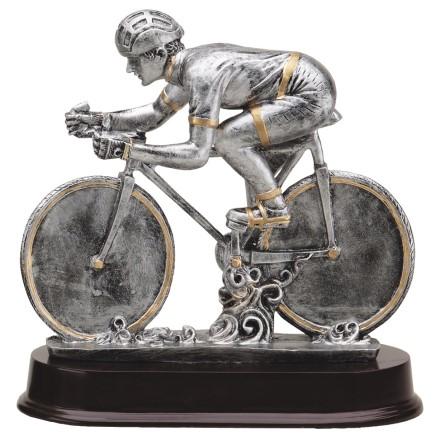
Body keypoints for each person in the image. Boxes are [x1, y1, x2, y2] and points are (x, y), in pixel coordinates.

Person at [65, 9, 337, 232]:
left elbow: (197, 153)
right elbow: (154, 114)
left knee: (228, 138)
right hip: (298, 83)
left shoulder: (200, 75)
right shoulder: (183, 70)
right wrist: (99, 121)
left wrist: (128, 150)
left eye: (134, 60)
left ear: (158, 54)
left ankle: (275, 209)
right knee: (233, 139)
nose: (129, 68)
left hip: (310, 93)